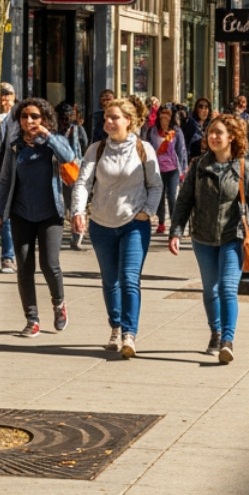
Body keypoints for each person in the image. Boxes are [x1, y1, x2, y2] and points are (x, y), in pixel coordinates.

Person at [169, 114, 249, 362]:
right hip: (202, 236)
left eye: (219, 133)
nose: (213, 137)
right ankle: (215, 331)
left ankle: (227, 339)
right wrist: (176, 231)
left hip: (233, 237)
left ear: (231, 137)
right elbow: (184, 201)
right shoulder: (199, 165)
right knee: (210, 290)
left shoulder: (245, 168)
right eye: (211, 132)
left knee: (227, 289)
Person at [73, 97, 162, 357]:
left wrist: (147, 213)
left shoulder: (142, 148)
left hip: (134, 224)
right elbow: (82, 183)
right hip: (101, 224)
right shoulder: (96, 149)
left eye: (114, 117)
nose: (108, 122)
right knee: (110, 281)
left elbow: (155, 185)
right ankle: (115, 327)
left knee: (129, 280)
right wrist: (78, 211)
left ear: (129, 121)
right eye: (106, 118)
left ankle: (129, 335)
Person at [0, 97, 77, 336]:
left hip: (50, 213)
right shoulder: (14, 146)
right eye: (24, 116)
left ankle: (59, 304)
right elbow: (5, 180)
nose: (29, 121)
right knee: (24, 267)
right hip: (21, 213)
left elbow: (69, 156)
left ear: (44, 119)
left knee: (50, 264)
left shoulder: (54, 142)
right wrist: (0, 213)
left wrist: (47, 136)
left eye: (34, 116)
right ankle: (32, 319)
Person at [56, 103, 90, 250]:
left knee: (69, 203)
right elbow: (84, 145)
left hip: (66, 170)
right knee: (71, 204)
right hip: (70, 169)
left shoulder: (57, 131)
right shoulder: (77, 129)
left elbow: (84, 145)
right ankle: (76, 236)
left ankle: (76, 234)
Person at [146, 104, 182, 235]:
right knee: (159, 197)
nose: (165, 116)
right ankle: (161, 222)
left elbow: (181, 150)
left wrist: (182, 170)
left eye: (167, 114)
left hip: (172, 169)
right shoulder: (153, 131)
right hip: (157, 168)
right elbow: (147, 148)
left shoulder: (176, 131)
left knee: (172, 197)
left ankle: (174, 223)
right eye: (162, 113)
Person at [0, 82, 20, 272]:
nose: (4, 99)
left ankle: (8, 256)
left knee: (6, 216)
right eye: (1, 95)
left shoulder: (18, 118)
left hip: (9, 170)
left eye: (8, 95)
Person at [185, 97, 213, 161]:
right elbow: (185, 146)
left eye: (206, 107)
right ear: (196, 109)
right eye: (201, 107)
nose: (204, 110)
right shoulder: (190, 124)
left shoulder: (211, 125)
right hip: (193, 160)